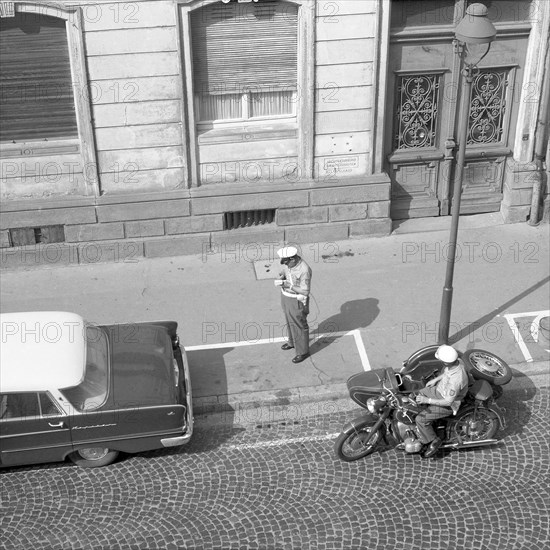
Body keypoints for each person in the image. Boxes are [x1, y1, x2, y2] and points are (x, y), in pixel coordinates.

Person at [415, 344, 469, 458]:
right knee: (416, 395)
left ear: (445, 362)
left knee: (420, 419)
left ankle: (433, 441)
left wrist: (427, 400)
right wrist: (435, 379)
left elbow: (448, 402)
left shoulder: (456, 380)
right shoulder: (457, 362)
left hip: (448, 404)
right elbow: (446, 372)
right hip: (439, 390)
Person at [275, 246, 312, 364]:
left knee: (298, 324)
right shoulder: (288, 264)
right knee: (289, 321)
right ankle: (292, 342)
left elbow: (305, 291)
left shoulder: (304, 270)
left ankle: (303, 351)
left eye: (286, 262)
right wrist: (282, 276)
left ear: (293, 259)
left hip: (296, 299)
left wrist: (289, 286)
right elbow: (285, 271)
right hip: (286, 296)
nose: (284, 264)